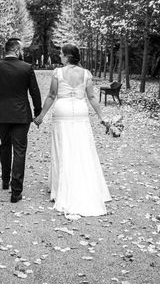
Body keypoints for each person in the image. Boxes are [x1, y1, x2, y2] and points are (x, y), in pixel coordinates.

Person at [34, 43, 111, 217]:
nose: (59, 56)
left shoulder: (58, 73)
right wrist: (102, 117)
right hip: (81, 110)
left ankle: (60, 186)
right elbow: (91, 97)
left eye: (61, 54)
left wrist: (40, 116)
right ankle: (84, 182)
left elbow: (52, 96)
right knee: (82, 147)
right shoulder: (86, 74)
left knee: (62, 146)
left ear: (68, 56)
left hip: (62, 111)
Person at [0, 38, 42, 203]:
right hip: (22, 116)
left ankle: (4, 179)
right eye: (21, 50)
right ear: (16, 50)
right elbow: (35, 92)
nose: (22, 53)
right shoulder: (27, 68)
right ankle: (16, 191)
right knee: (20, 150)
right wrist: (38, 113)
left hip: (2, 115)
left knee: (4, 145)